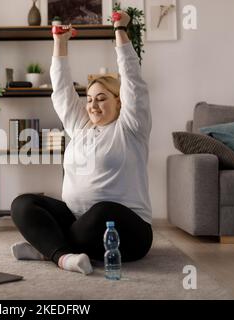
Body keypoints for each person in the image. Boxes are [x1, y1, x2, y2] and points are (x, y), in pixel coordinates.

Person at [10, 10, 153, 275]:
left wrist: (120, 30)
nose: (92, 105)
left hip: (127, 229)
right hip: (77, 221)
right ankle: (64, 257)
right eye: (89, 99)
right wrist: (60, 42)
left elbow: (133, 82)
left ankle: (48, 246)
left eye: (101, 98)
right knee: (23, 204)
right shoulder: (81, 127)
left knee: (102, 213)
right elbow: (62, 91)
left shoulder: (131, 127)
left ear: (119, 101)